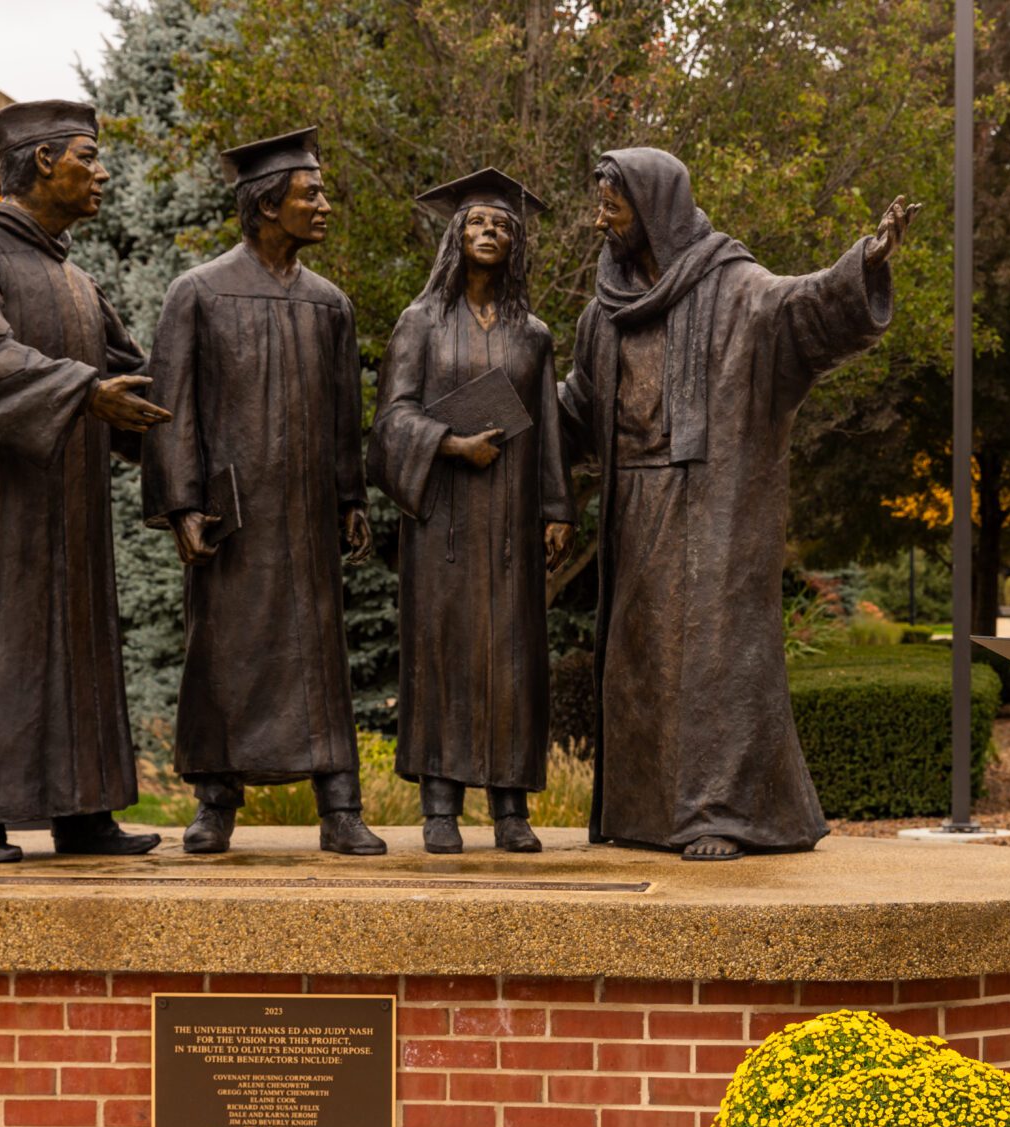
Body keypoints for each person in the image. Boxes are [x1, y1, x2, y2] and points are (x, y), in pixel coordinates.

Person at [559, 147, 918, 861]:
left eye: (613, 205)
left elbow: (804, 305)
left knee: (719, 655)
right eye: (599, 203)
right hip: (634, 505)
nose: (600, 219)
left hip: (716, 503)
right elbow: (575, 409)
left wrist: (865, 265)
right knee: (639, 661)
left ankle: (720, 812)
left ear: (655, 207)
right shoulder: (603, 316)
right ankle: (646, 811)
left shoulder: (734, 288)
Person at [0, 99, 169, 863]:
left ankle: (83, 810)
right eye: (89, 157)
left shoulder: (77, 281)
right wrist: (83, 393)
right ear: (45, 160)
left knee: (78, 650)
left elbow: (131, 384)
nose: (104, 172)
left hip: (71, 513)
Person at [141, 127, 384, 856]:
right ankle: (215, 800)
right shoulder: (198, 293)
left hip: (307, 516)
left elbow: (346, 416)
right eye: (312, 193)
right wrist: (181, 504)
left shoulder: (329, 304)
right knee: (222, 654)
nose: (325, 205)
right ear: (269, 204)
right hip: (233, 519)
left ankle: (340, 804)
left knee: (320, 655)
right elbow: (171, 409)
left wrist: (350, 498)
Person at [367, 167, 574, 855]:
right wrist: (449, 444)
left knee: (512, 658)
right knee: (445, 655)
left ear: (516, 245)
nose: (490, 233)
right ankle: (440, 805)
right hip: (445, 524)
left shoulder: (533, 334)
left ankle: (510, 806)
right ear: (456, 237)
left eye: (503, 226)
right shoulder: (420, 323)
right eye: (478, 224)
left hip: (512, 518)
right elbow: (390, 422)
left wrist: (555, 509)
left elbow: (546, 425)